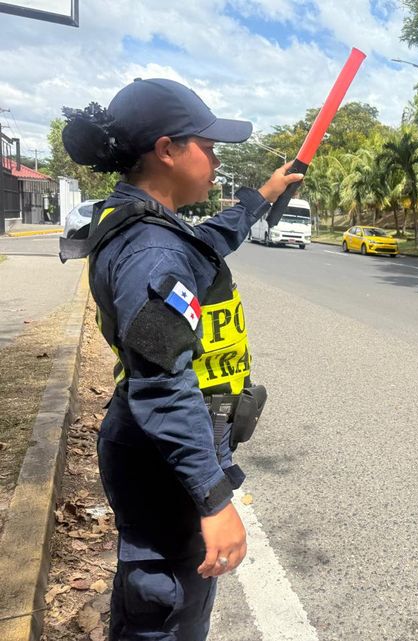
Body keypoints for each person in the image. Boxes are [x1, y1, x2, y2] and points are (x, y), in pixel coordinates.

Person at [59, 78, 303, 640]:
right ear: (168, 150)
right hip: (166, 457)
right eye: (208, 146)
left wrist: (261, 197)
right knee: (167, 611)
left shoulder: (145, 221)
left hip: (158, 449)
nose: (216, 160)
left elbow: (205, 243)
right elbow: (163, 387)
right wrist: (214, 498)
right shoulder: (153, 248)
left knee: (162, 599)